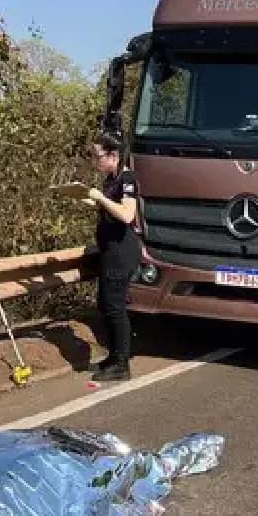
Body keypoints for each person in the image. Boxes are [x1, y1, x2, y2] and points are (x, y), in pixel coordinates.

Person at [85, 132, 142, 382]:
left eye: (97, 155)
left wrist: (101, 199)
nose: (94, 161)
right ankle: (113, 356)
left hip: (122, 252)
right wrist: (96, 202)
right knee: (105, 304)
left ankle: (122, 364)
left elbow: (127, 214)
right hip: (109, 251)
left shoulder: (127, 178)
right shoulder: (111, 178)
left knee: (115, 307)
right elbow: (112, 207)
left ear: (113, 155)